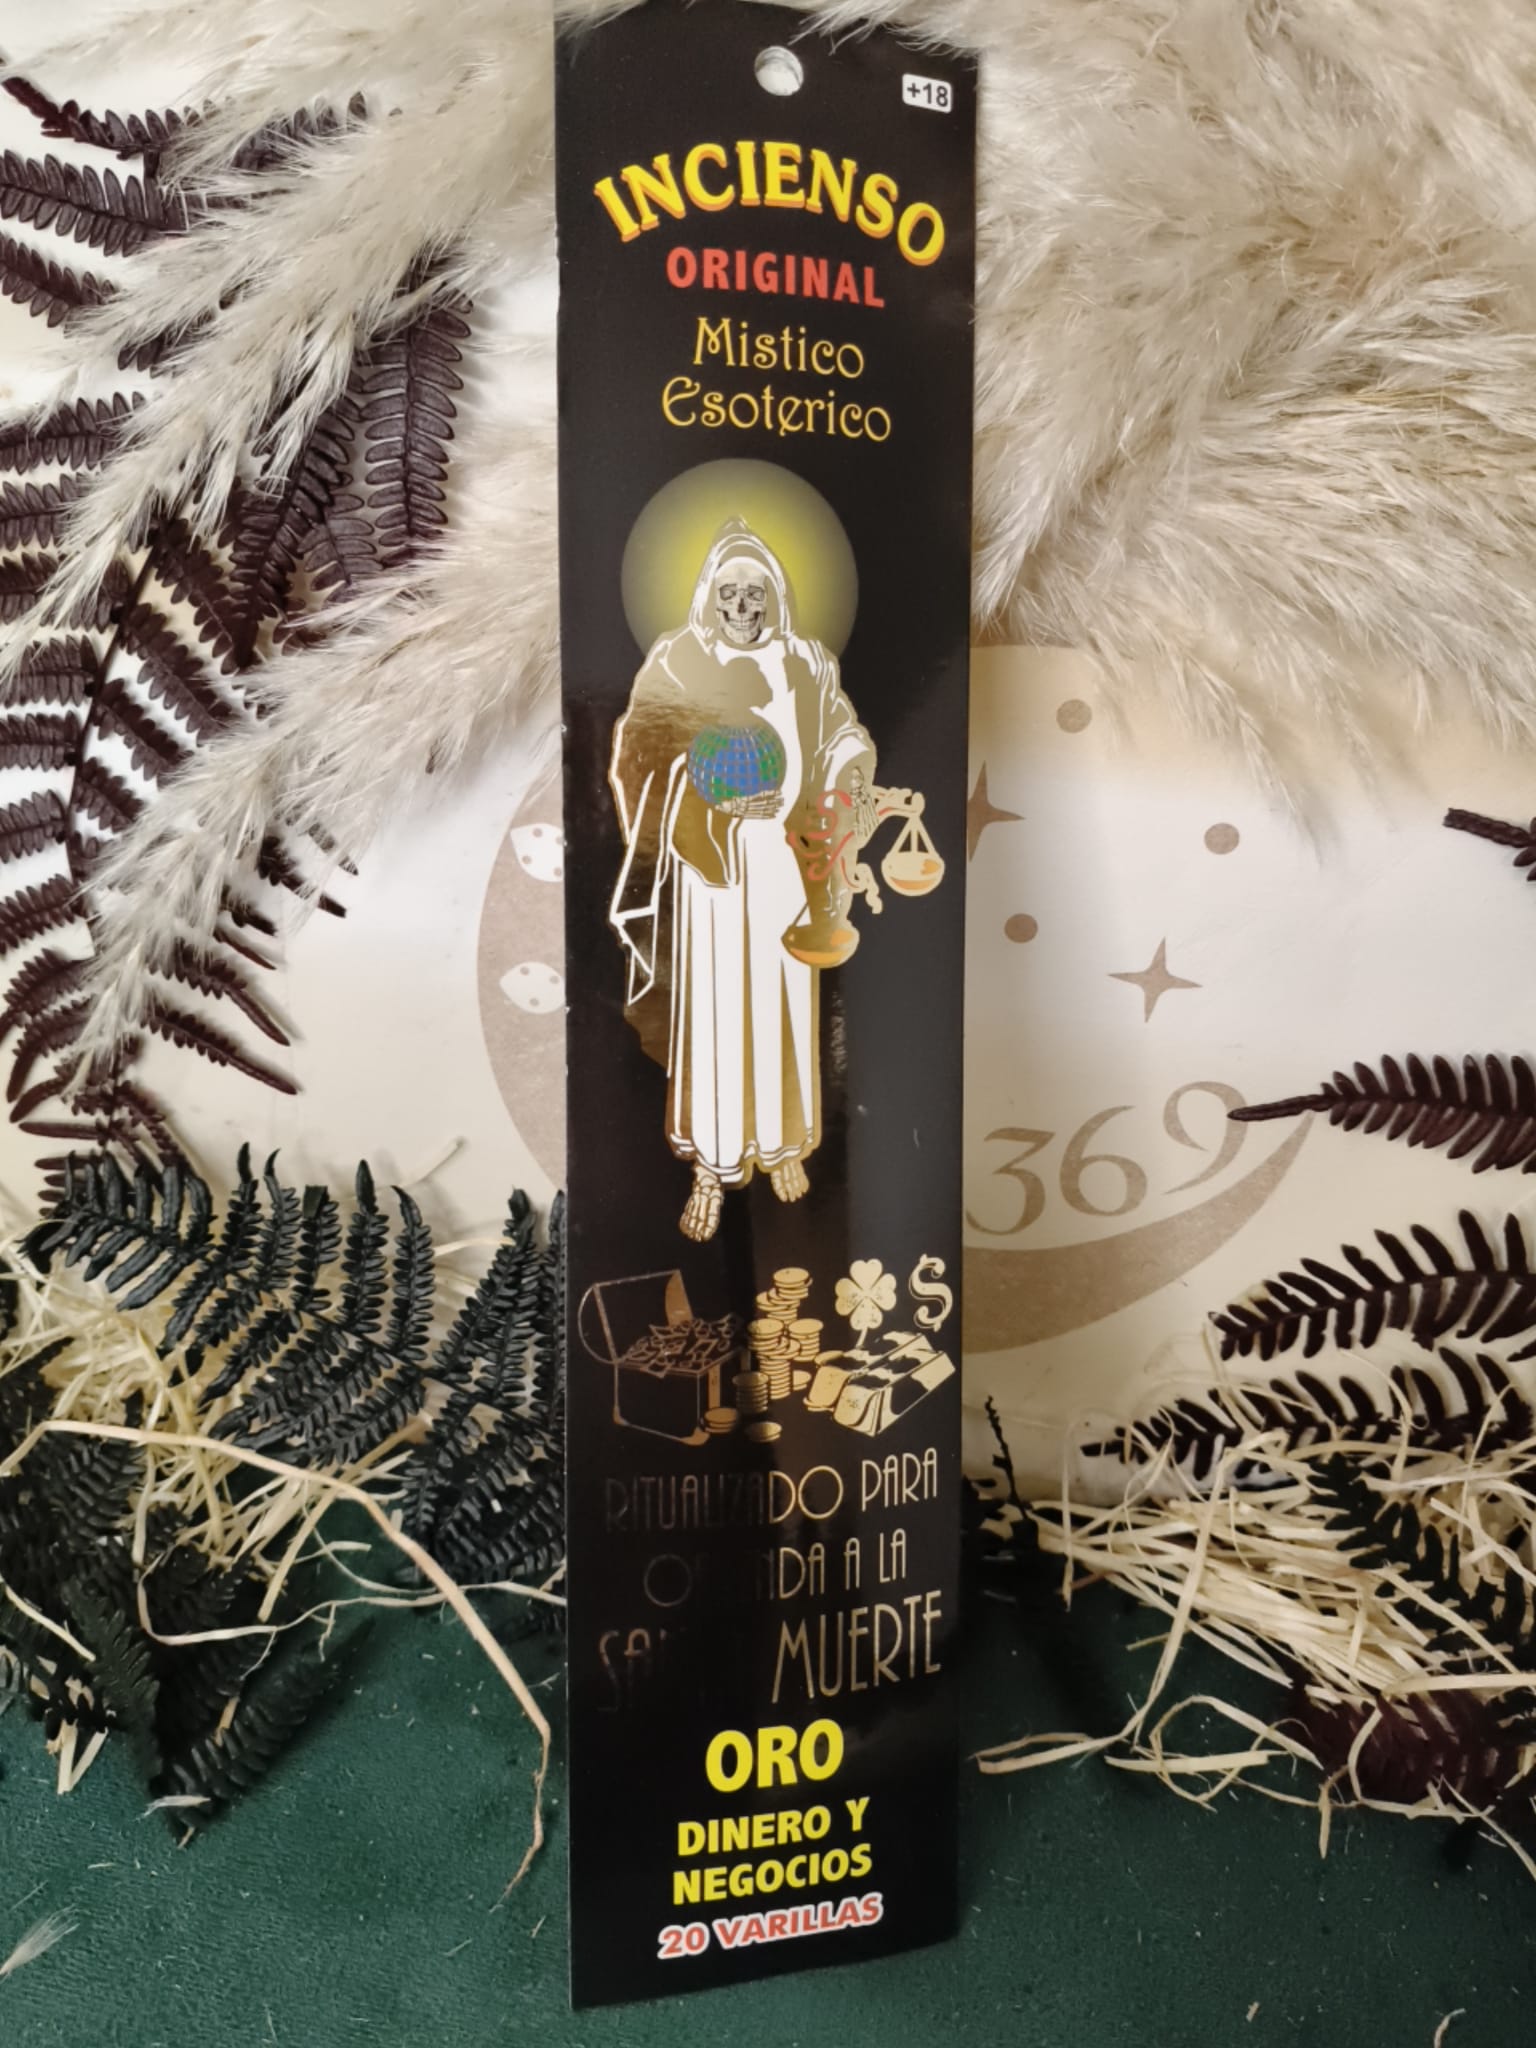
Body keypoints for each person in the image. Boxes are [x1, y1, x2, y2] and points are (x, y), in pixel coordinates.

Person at [609, 519, 876, 1242]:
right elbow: (639, 762)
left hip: (790, 858)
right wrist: (714, 802)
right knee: (720, 1011)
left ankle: (783, 1143)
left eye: (755, 592)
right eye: (729, 592)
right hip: (713, 869)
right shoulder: (678, 663)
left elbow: (840, 735)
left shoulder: (805, 661)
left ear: (776, 597)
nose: (742, 606)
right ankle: (713, 1163)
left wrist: (847, 773)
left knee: (785, 1003)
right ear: (707, 596)